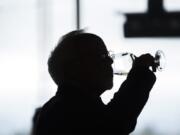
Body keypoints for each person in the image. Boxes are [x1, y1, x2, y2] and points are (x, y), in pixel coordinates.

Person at [34, 30, 156, 135]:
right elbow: (114, 125)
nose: (110, 61)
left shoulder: (58, 107)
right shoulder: (65, 110)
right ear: (74, 68)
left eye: (108, 55)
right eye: (102, 56)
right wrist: (140, 73)